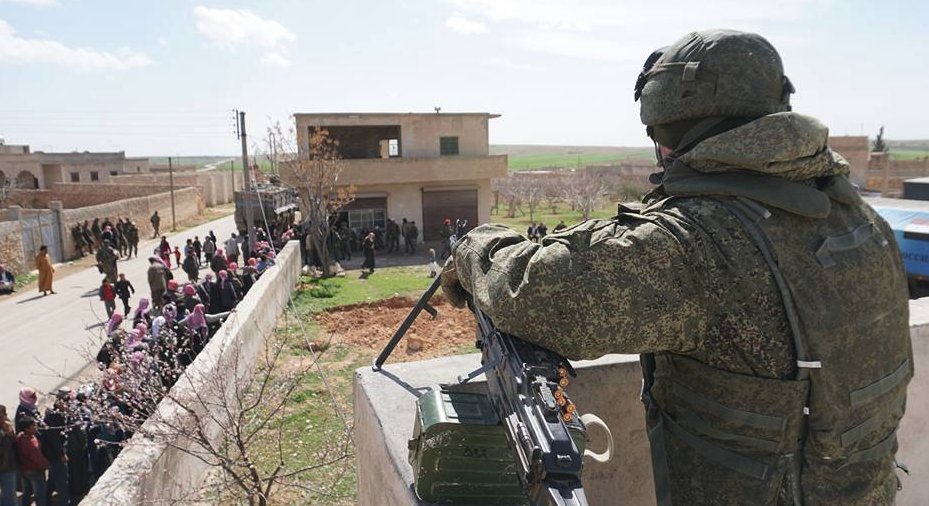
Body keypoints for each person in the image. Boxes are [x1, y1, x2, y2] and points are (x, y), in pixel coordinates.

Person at [441, 30, 912, 505]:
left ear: (669, 132)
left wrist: (474, 246)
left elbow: (531, 295)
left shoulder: (699, 243)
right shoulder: (856, 214)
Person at [15, 417, 47, 506]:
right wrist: (45, 465)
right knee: (40, 494)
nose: (36, 427)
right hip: (35, 470)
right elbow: (37, 458)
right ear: (26, 429)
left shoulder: (20, 437)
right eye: (33, 426)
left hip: (23, 469)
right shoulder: (31, 442)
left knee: (27, 492)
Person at [0, 405, 15, 506]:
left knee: (9, 497)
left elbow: (14, 445)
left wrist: (10, 433)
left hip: (7, 467)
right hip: (4, 466)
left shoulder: (7, 427)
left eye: (2, 416)